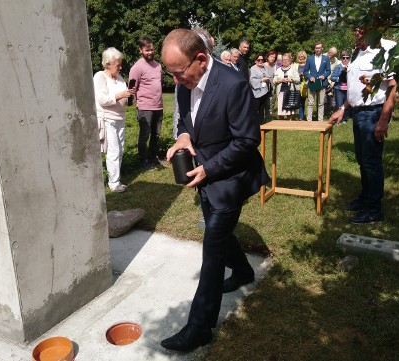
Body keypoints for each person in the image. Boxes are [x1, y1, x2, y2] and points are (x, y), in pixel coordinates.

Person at [160, 28, 270, 352]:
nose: (177, 82)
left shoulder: (234, 85)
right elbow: (187, 124)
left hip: (230, 178)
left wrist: (209, 168)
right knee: (217, 232)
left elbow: (248, 141)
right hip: (204, 178)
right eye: (172, 75)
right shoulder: (184, 83)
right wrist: (182, 137)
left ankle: (199, 327)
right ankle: (245, 270)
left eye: (180, 73)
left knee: (212, 250)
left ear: (201, 59)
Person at [328, 27, 398, 224]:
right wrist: (343, 108)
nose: (356, 34)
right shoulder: (357, 52)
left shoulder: (384, 49)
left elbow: (392, 85)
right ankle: (366, 199)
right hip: (358, 113)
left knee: (371, 162)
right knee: (362, 160)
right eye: (355, 30)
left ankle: (374, 210)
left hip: (373, 113)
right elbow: (357, 90)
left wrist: (383, 119)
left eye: (361, 30)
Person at [93, 47, 135, 193]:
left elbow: (122, 99)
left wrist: (129, 96)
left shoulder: (120, 78)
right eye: (118, 65)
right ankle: (114, 183)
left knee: (120, 150)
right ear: (108, 64)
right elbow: (103, 99)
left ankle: (116, 178)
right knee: (113, 151)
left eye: (120, 64)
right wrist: (120, 95)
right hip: (107, 119)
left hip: (120, 118)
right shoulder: (99, 77)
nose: (120, 67)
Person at [129, 36, 164, 171]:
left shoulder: (158, 65)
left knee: (156, 134)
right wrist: (132, 102)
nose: (150, 52)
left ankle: (153, 156)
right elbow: (132, 88)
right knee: (145, 135)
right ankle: (143, 161)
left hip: (158, 105)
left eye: (151, 49)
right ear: (140, 50)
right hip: (145, 107)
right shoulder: (137, 67)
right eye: (147, 50)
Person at [304, 42, 332, 121]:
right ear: (314, 49)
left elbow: (329, 71)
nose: (317, 49)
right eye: (316, 48)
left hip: (322, 83)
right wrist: (310, 77)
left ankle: (320, 120)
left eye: (319, 48)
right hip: (312, 83)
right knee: (310, 103)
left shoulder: (326, 58)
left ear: (322, 48)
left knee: (321, 103)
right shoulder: (310, 58)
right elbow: (305, 71)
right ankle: (309, 120)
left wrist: (324, 76)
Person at [273, 52, 300, 119]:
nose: (285, 61)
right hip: (281, 92)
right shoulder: (278, 70)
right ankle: (281, 124)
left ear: (290, 60)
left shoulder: (293, 69)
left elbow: (298, 79)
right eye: (284, 60)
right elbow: (274, 81)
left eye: (287, 59)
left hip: (290, 91)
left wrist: (291, 80)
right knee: (280, 110)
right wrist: (280, 80)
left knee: (289, 109)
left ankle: (289, 123)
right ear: (282, 61)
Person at [250, 53, 274, 124]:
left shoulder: (265, 67)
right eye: (258, 60)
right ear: (255, 61)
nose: (260, 61)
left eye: (262, 60)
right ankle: (254, 124)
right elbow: (251, 80)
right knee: (255, 109)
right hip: (257, 92)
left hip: (265, 91)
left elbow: (269, 75)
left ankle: (261, 124)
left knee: (262, 109)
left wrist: (267, 78)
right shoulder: (253, 68)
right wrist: (261, 80)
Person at [330, 49, 351, 125]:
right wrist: (340, 78)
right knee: (339, 104)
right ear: (341, 58)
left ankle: (345, 119)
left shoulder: (352, 67)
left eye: (347, 57)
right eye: (343, 57)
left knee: (347, 104)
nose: (345, 59)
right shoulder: (338, 67)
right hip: (339, 88)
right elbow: (332, 77)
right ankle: (339, 119)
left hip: (348, 89)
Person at [295, 50, 308, 120]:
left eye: (302, 56)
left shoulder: (307, 65)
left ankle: (304, 116)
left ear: (305, 57)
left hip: (305, 85)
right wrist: (298, 75)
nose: (300, 57)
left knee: (304, 102)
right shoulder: (295, 65)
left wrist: (305, 74)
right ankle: (299, 116)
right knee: (298, 102)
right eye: (299, 56)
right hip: (296, 85)